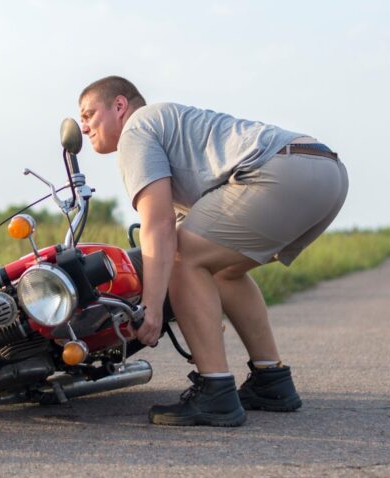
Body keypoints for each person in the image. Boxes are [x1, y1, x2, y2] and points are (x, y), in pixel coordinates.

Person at [78, 76, 348, 427]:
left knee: (180, 255)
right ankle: (272, 381)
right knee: (222, 269)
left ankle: (215, 392)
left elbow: (158, 229)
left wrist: (151, 309)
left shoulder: (136, 129)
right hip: (326, 171)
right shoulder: (171, 126)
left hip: (282, 171)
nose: (84, 127)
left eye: (88, 114)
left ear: (119, 106)